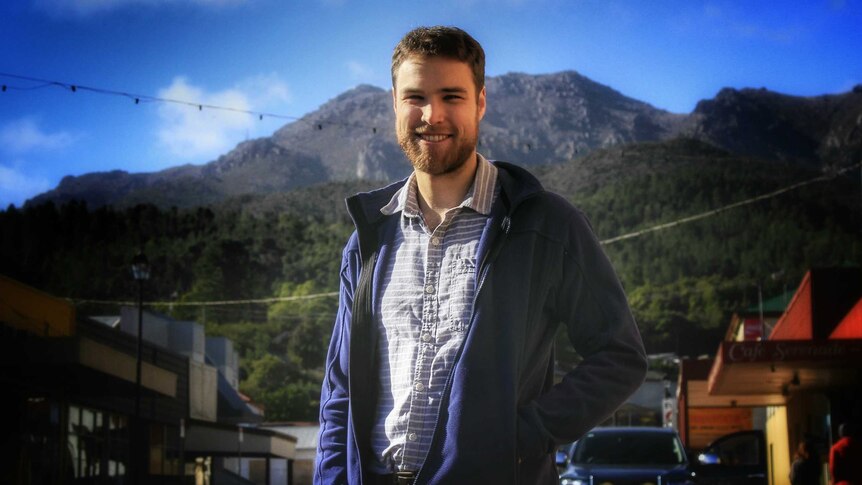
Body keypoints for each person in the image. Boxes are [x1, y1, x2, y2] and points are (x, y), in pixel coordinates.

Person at [314, 26, 648, 484]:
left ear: (481, 103)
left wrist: (522, 436)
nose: (432, 115)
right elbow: (339, 393)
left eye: (452, 96)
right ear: (394, 103)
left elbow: (620, 355)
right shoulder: (368, 241)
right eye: (416, 97)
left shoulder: (546, 223)